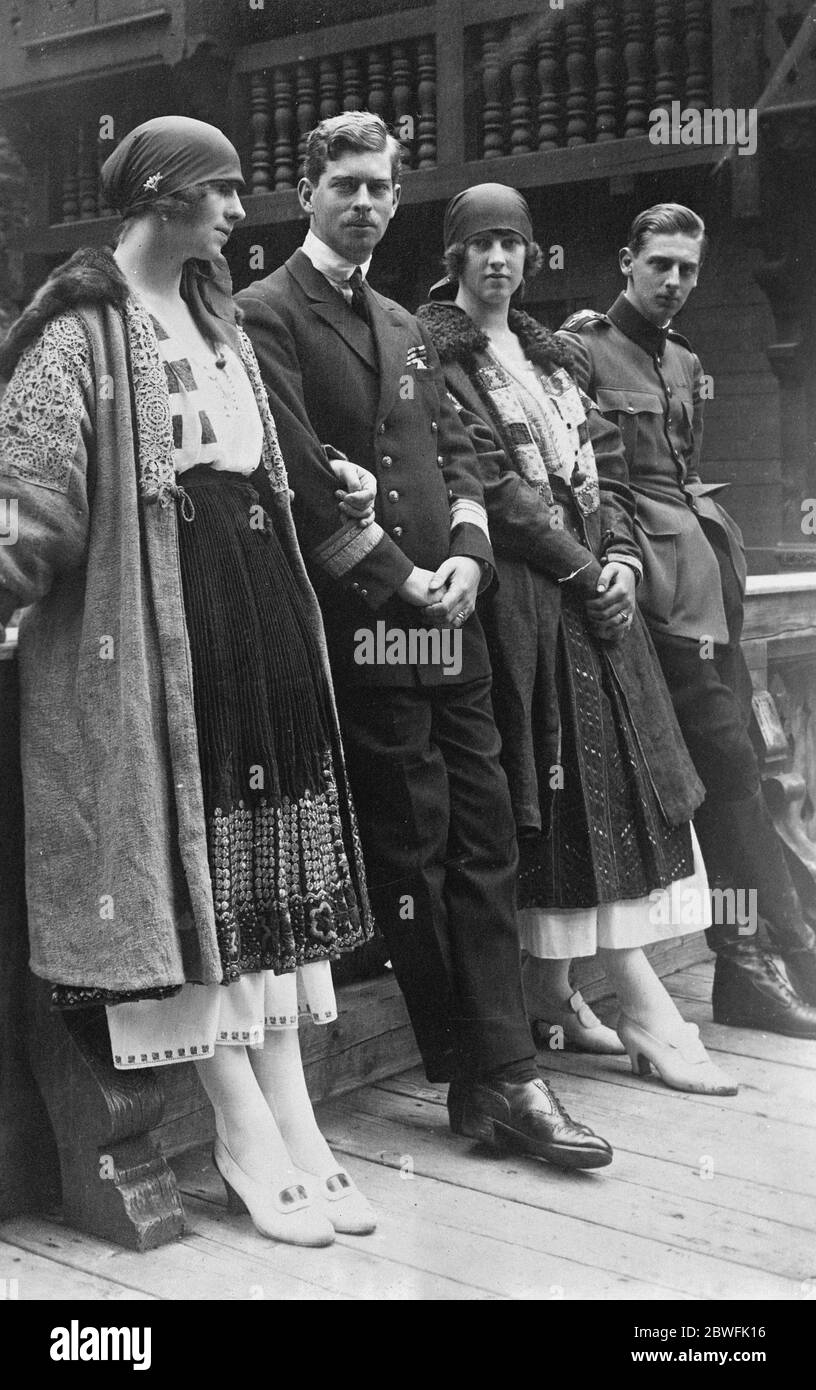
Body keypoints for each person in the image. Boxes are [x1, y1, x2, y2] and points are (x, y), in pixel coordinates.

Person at [0, 115, 382, 1247]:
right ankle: (238, 1126)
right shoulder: (75, 332)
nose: (235, 213)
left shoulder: (219, 318)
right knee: (196, 868)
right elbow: (32, 503)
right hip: (162, 623)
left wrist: (340, 491)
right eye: (220, 194)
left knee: (266, 863)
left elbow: (265, 461)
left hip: (260, 602)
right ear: (163, 194)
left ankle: (297, 1118)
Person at [236, 111, 613, 1170]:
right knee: (417, 844)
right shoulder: (270, 315)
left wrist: (467, 557)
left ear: (399, 201)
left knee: (490, 840)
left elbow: (457, 457)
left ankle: (497, 1075)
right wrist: (403, 581)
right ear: (306, 191)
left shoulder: (407, 325)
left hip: (454, 623)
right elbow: (302, 482)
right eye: (344, 184)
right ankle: (492, 1073)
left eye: (381, 188)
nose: (363, 203)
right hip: (369, 632)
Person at [417, 183, 736, 1095]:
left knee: (618, 783)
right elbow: (491, 482)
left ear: (529, 255)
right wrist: (581, 566)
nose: (498, 261)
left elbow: (608, 467)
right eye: (480, 244)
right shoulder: (441, 357)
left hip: (599, 594)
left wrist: (626, 563)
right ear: (457, 258)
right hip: (527, 596)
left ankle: (554, 993)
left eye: (511, 244)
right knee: (557, 783)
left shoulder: (557, 355)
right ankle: (641, 1004)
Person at [559, 203, 816, 1040]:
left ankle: (767, 952)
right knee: (724, 767)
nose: (673, 282)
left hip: (708, 588)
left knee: (743, 766)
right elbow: (592, 483)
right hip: (644, 594)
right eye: (659, 263)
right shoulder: (581, 350)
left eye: (689, 270)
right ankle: (760, 957)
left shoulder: (687, 361)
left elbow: (684, 474)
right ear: (626, 261)